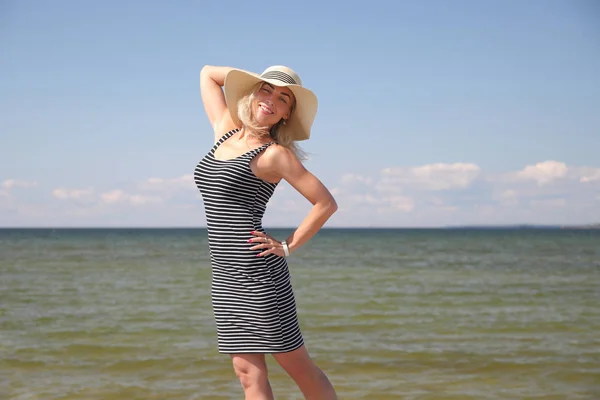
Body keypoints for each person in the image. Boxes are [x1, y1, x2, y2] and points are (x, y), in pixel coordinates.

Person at [194, 65, 339, 400]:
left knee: (298, 366)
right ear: (253, 93)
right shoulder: (225, 130)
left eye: (282, 98)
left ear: (288, 113)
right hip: (226, 276)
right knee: (247, 374)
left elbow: (325, 203)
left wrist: (288, 245)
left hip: (259, 276)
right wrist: (250, 77)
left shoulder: (275, 155)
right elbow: (207, 75)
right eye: (266, 90)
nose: (271, 100)